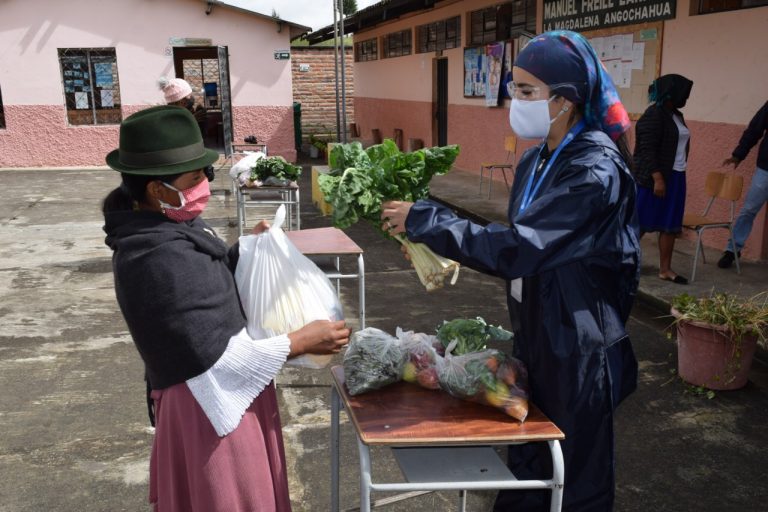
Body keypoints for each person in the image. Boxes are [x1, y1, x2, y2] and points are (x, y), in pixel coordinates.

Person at [381, 31, 640, 511]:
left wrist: (429, 221)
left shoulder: (593, 170)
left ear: (564, 100)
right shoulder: (537, 159)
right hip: (536, 327)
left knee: (572, 473)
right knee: (527, 458)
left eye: (526, 91)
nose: (513, 101)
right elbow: (513, 244)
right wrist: (427, 240)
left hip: (578, 341)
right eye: (513, 88)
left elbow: (523, 246)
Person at [102, 105, 350, 512]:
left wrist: (245, 253)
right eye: (194, 178)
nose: (204, 184)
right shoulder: (157, 258)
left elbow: (203, 287)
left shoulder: (172, 230)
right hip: (209, 409)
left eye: (206, 174)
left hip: (223, 397)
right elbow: (213, 359)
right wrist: (300, 341)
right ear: (156, 189)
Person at [633, 74, 694, 284]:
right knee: (638, 223)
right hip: (654, 179)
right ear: (670, 92)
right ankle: (618, 261)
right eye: (683, 93)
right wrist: (657, 178)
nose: (685, 98)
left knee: (670, 224)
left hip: (677, 176)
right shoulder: (654, 115)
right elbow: (646, 149)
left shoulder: (676, 115)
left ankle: (665, 269)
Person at [717, 100, 768, 269]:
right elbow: (755, 130)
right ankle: (732, 250)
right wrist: (739, 154)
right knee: (749, 209)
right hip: (766, 169)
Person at [158, 77, 214, 181]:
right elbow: (174, 137)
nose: (192, 98)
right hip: (179, 171)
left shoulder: (187, 112)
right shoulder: (166, 117)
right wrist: (192, 120)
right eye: (189, 96)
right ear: (182, 101)